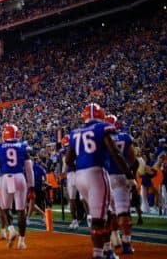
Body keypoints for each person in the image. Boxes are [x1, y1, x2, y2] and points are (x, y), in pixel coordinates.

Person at [65, 103, 134, 259]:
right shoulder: (103, 128)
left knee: (107, 213)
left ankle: (108, 249)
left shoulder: (75, 132)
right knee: (100, 218)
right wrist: (129, 174)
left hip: (80, 176)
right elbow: (115, 152)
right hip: (97, 173)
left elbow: (68, 160)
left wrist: (79, 171)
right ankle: (99, 253)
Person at [0, 123, 34, 250]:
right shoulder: (23, 146)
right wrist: (31, 187)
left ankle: (11, 229)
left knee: (5, 208)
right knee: (21, 211)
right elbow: (29, 169)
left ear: (5, 135)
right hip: (20, 177)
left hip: (6, 178)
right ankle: (22, 241)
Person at [103, 114, 137, 254]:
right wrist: (129, 173)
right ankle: (127, 242)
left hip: (105, 177)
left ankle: (114, 238)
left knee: (110, 212)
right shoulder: (124, 137)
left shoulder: (101, 138)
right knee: (123, 211)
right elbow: (132, 158)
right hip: (121, 176)